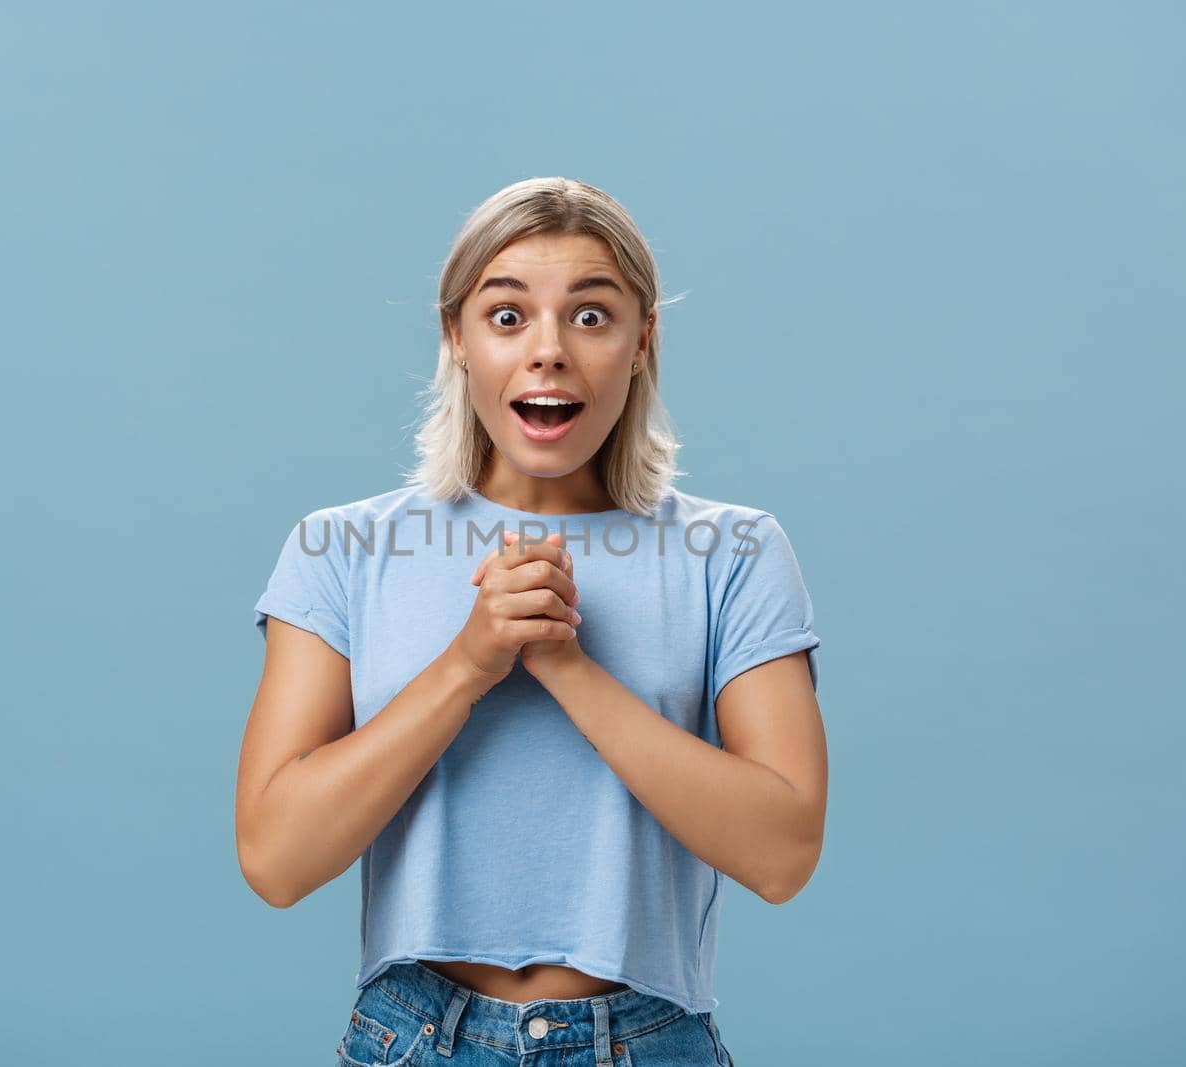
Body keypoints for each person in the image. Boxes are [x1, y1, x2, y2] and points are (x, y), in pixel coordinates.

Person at [236, 177, 825, 1066]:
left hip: (645, 1038)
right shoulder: (342, 547)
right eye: (507, 316)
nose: (548, 351)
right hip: (414, 1034)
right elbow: (276, 858)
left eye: (591, 316)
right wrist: (468, 664)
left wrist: (569, 669)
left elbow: (782, 854)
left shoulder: (733, 552)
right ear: (456, 339)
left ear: (641, 342)